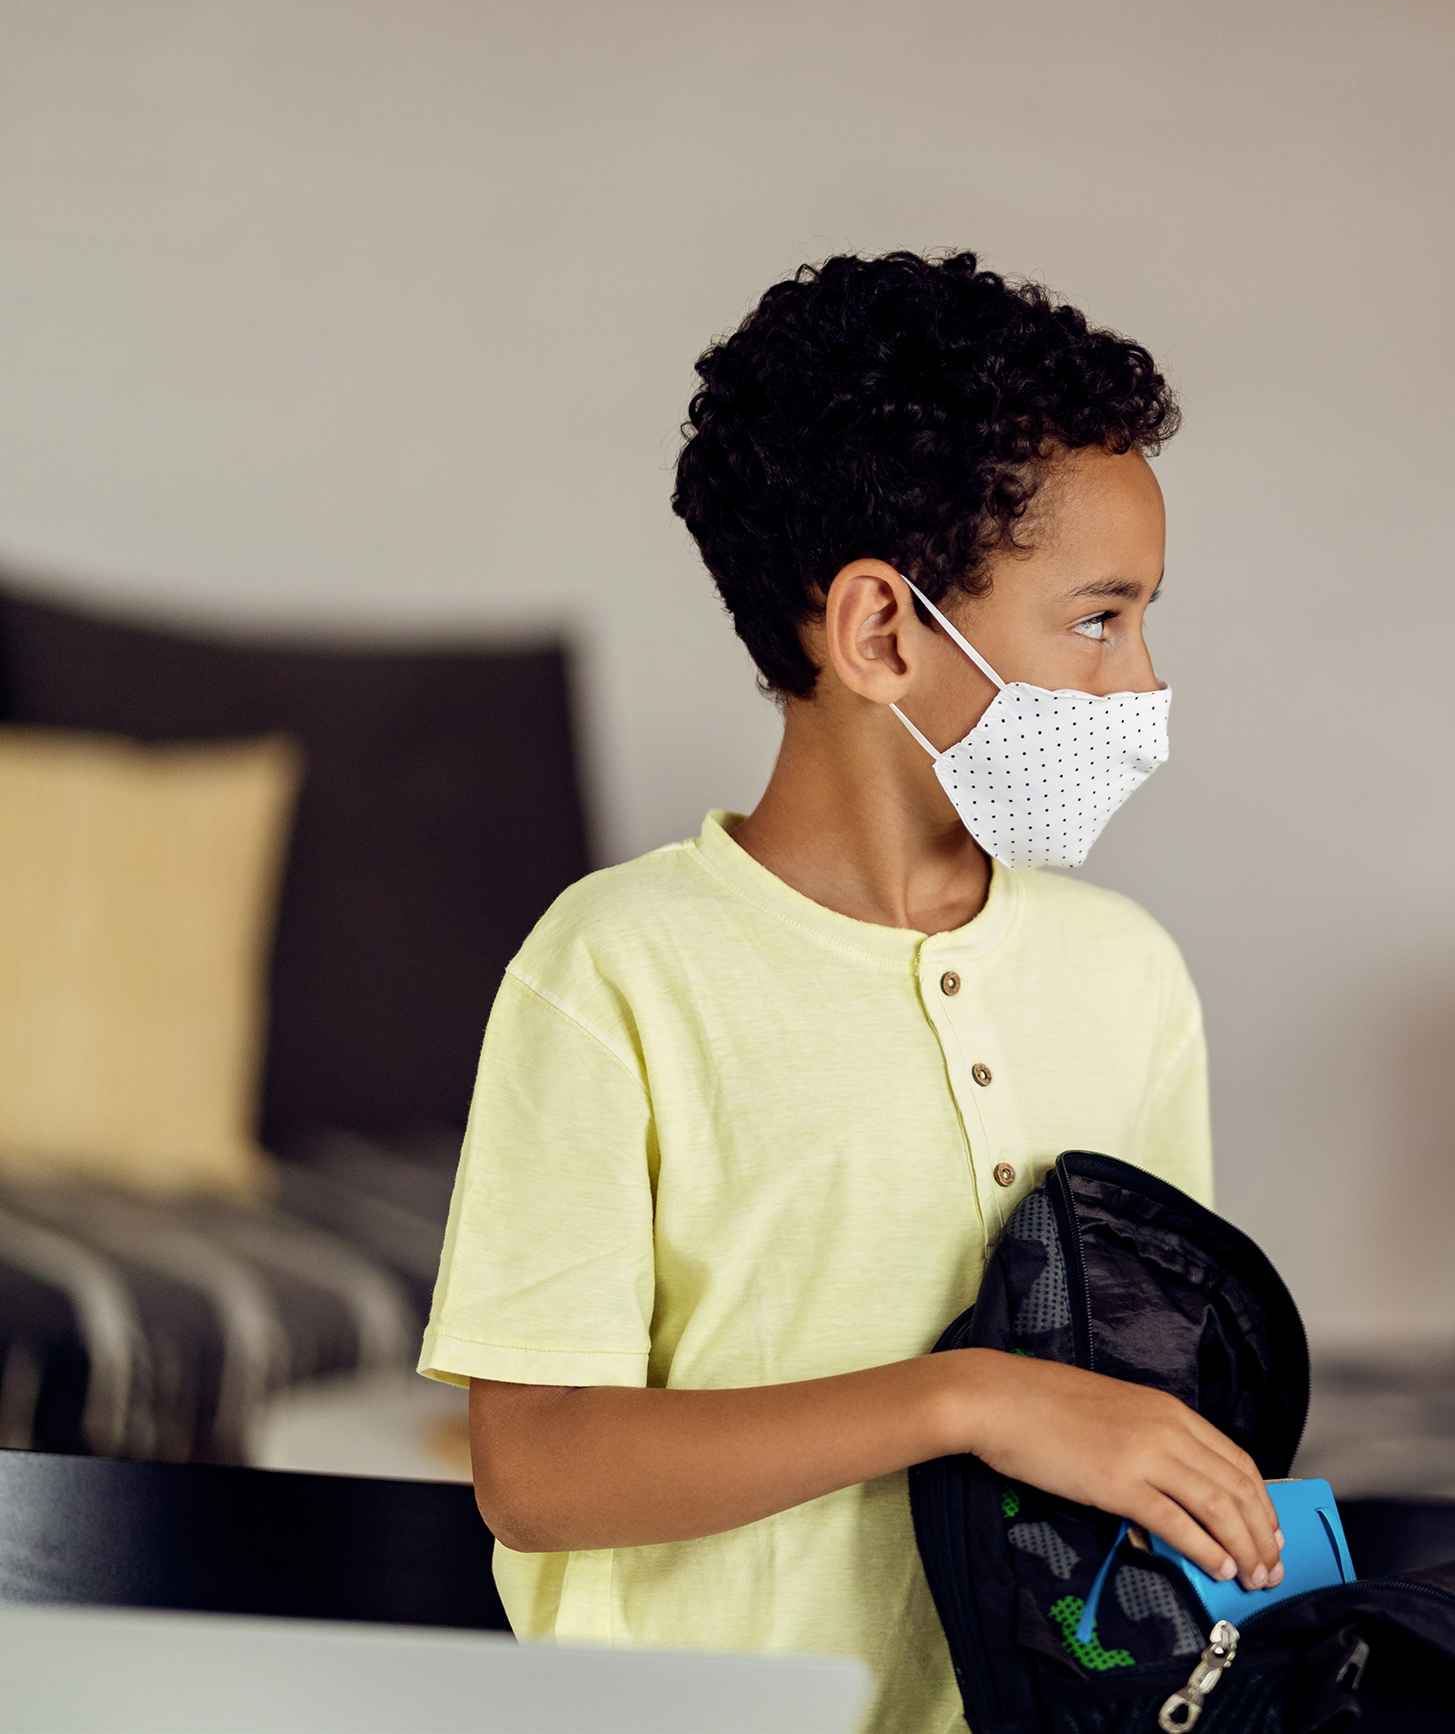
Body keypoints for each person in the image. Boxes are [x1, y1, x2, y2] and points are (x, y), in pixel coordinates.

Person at [418, 251, 1281, 1734]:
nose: (1142, 683)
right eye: (1098, 618)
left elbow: (1142, 1413)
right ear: (882, 631)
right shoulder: (617, 968)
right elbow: (537, 1470)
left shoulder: (1129, 976)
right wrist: (964, 1397)